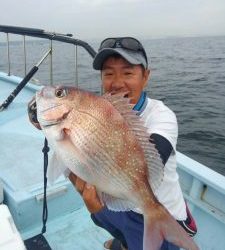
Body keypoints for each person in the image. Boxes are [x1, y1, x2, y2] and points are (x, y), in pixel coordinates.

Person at [69, 37, 197, 250]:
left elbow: (152, 161)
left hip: (154, 211)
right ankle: (124, 243)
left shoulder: (161, 116)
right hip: (115, 196)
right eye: (108, 73)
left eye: (128, 73)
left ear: (146, 76)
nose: (117, 83)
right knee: (104, 221)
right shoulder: (93, 114)